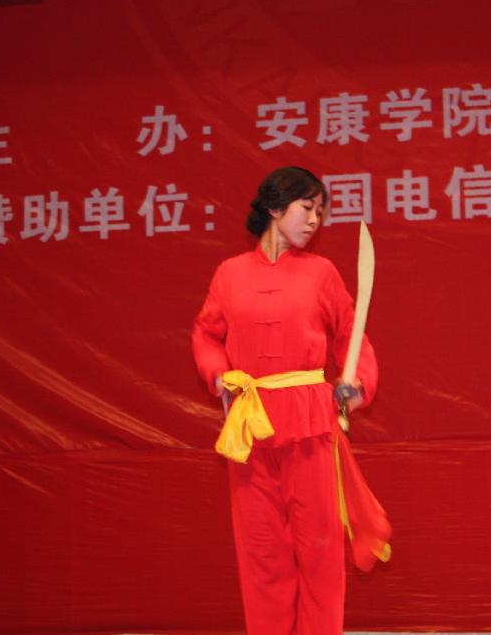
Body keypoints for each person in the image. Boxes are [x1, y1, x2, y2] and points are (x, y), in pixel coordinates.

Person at [192, 166, 378, 635]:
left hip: (311, 424)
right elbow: (206, 333)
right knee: (262, 553)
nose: (315, 219)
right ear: (275, 208)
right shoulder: (229, 274)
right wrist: (217, 374)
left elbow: (351, 334)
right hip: (250, 426)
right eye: (307, 207)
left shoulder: (321, 273)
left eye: (321, 211)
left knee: (320, 550)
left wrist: (356, 380)